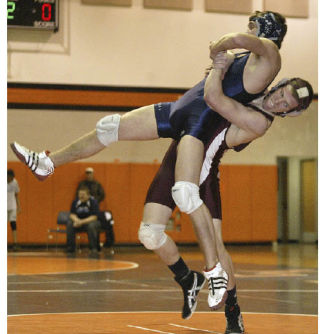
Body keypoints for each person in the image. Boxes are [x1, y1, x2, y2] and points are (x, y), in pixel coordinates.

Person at [10, 10, 288, 309]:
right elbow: (230, 55)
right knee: (109, 127)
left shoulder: (269, 54)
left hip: (197, 126)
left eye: (255, 25)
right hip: (179, 111)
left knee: (185, 192)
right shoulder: (246, 59)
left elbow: (229, 41)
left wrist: (220, 49)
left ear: (267, 30)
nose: (249, 28)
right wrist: (224, 59)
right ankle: (47, 164)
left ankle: (214, 272)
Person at [141, 51, 313, 334]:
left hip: (202, 170)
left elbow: (214, 100)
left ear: (288, 112)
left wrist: (219, 69)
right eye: (282, 93)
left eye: (286, 104)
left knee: (216, 246)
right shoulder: (250, 89)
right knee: (149, 234)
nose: (279, 100)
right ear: (278, 85)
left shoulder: (259, 121)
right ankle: (187, 279)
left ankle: (232, 308)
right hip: (177, 158)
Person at [66, 185, 101, 258]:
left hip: (91, 222)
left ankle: (93, 248)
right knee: (69, 224)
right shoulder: (75, 202)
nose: (81, 196)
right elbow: (72, 214)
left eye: (83, 195)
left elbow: (94, 217)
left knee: (91, 226)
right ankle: (70, 248)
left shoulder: (93, 202)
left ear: (88, 195)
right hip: (79, 222)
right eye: (80, 194)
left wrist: (81, 222)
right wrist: (76, 221)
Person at [7, 169, 21, 251]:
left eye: (12, 178)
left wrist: (19, 206)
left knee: (13, 224)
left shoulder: (15, 182)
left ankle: (15, 243)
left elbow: (16, 195)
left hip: (12, 206)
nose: (11, 179)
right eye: (10, 178)